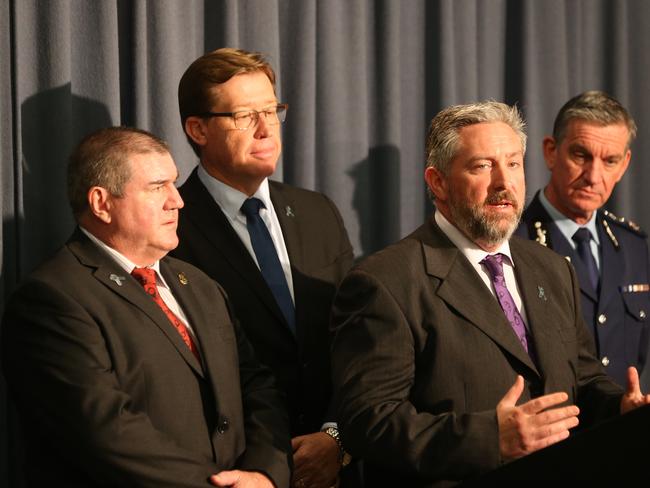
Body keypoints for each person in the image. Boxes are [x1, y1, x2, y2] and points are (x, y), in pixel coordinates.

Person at [329, 101, 650, 487]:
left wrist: (620, 407)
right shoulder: (385, 281)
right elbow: (369, 422)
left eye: (513, 163)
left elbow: (581, 377)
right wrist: (489, 439)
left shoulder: (550, 267)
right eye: (482, 166)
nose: (504, 182)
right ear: (438, 182)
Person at [2, 127, 291, 488]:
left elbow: (256, 385)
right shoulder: (51, 300)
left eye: (174, 184)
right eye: (157, 187)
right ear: (101, 203)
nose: (177, 201)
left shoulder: (200, 285)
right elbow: (106, 430)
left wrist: (265, 473)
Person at [172, 48, 356, 488]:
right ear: (198, 129)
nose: (265, 128)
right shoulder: (171, 226)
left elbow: (358, 336)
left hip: (339, 463)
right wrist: (267, 465)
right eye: (244, 116)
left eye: (271, 110)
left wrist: (337, 438)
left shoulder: (317, 211)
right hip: (239, 469)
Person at [516, 91, 650, 388]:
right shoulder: (514, 243)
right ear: (551, 152)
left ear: (625, 164)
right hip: (554, 430)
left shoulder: (633, 244)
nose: (593, 175)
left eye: (610, 160)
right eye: (581, 155)